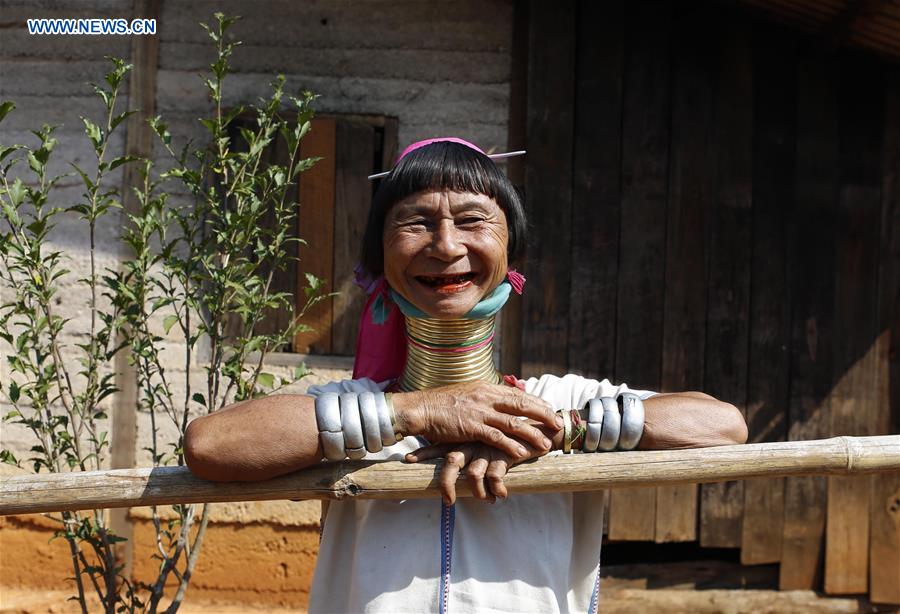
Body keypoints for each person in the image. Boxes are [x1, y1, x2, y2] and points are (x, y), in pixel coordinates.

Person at [184, 138, 748, 613]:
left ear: (511, 252)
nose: (447, 245)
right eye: (417, 222)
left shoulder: (563, 401)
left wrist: (549, 429)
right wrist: (421, 411)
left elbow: (722, 427)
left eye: (473, 220)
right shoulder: (349, 408)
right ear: (380, 261)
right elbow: (211, 444)